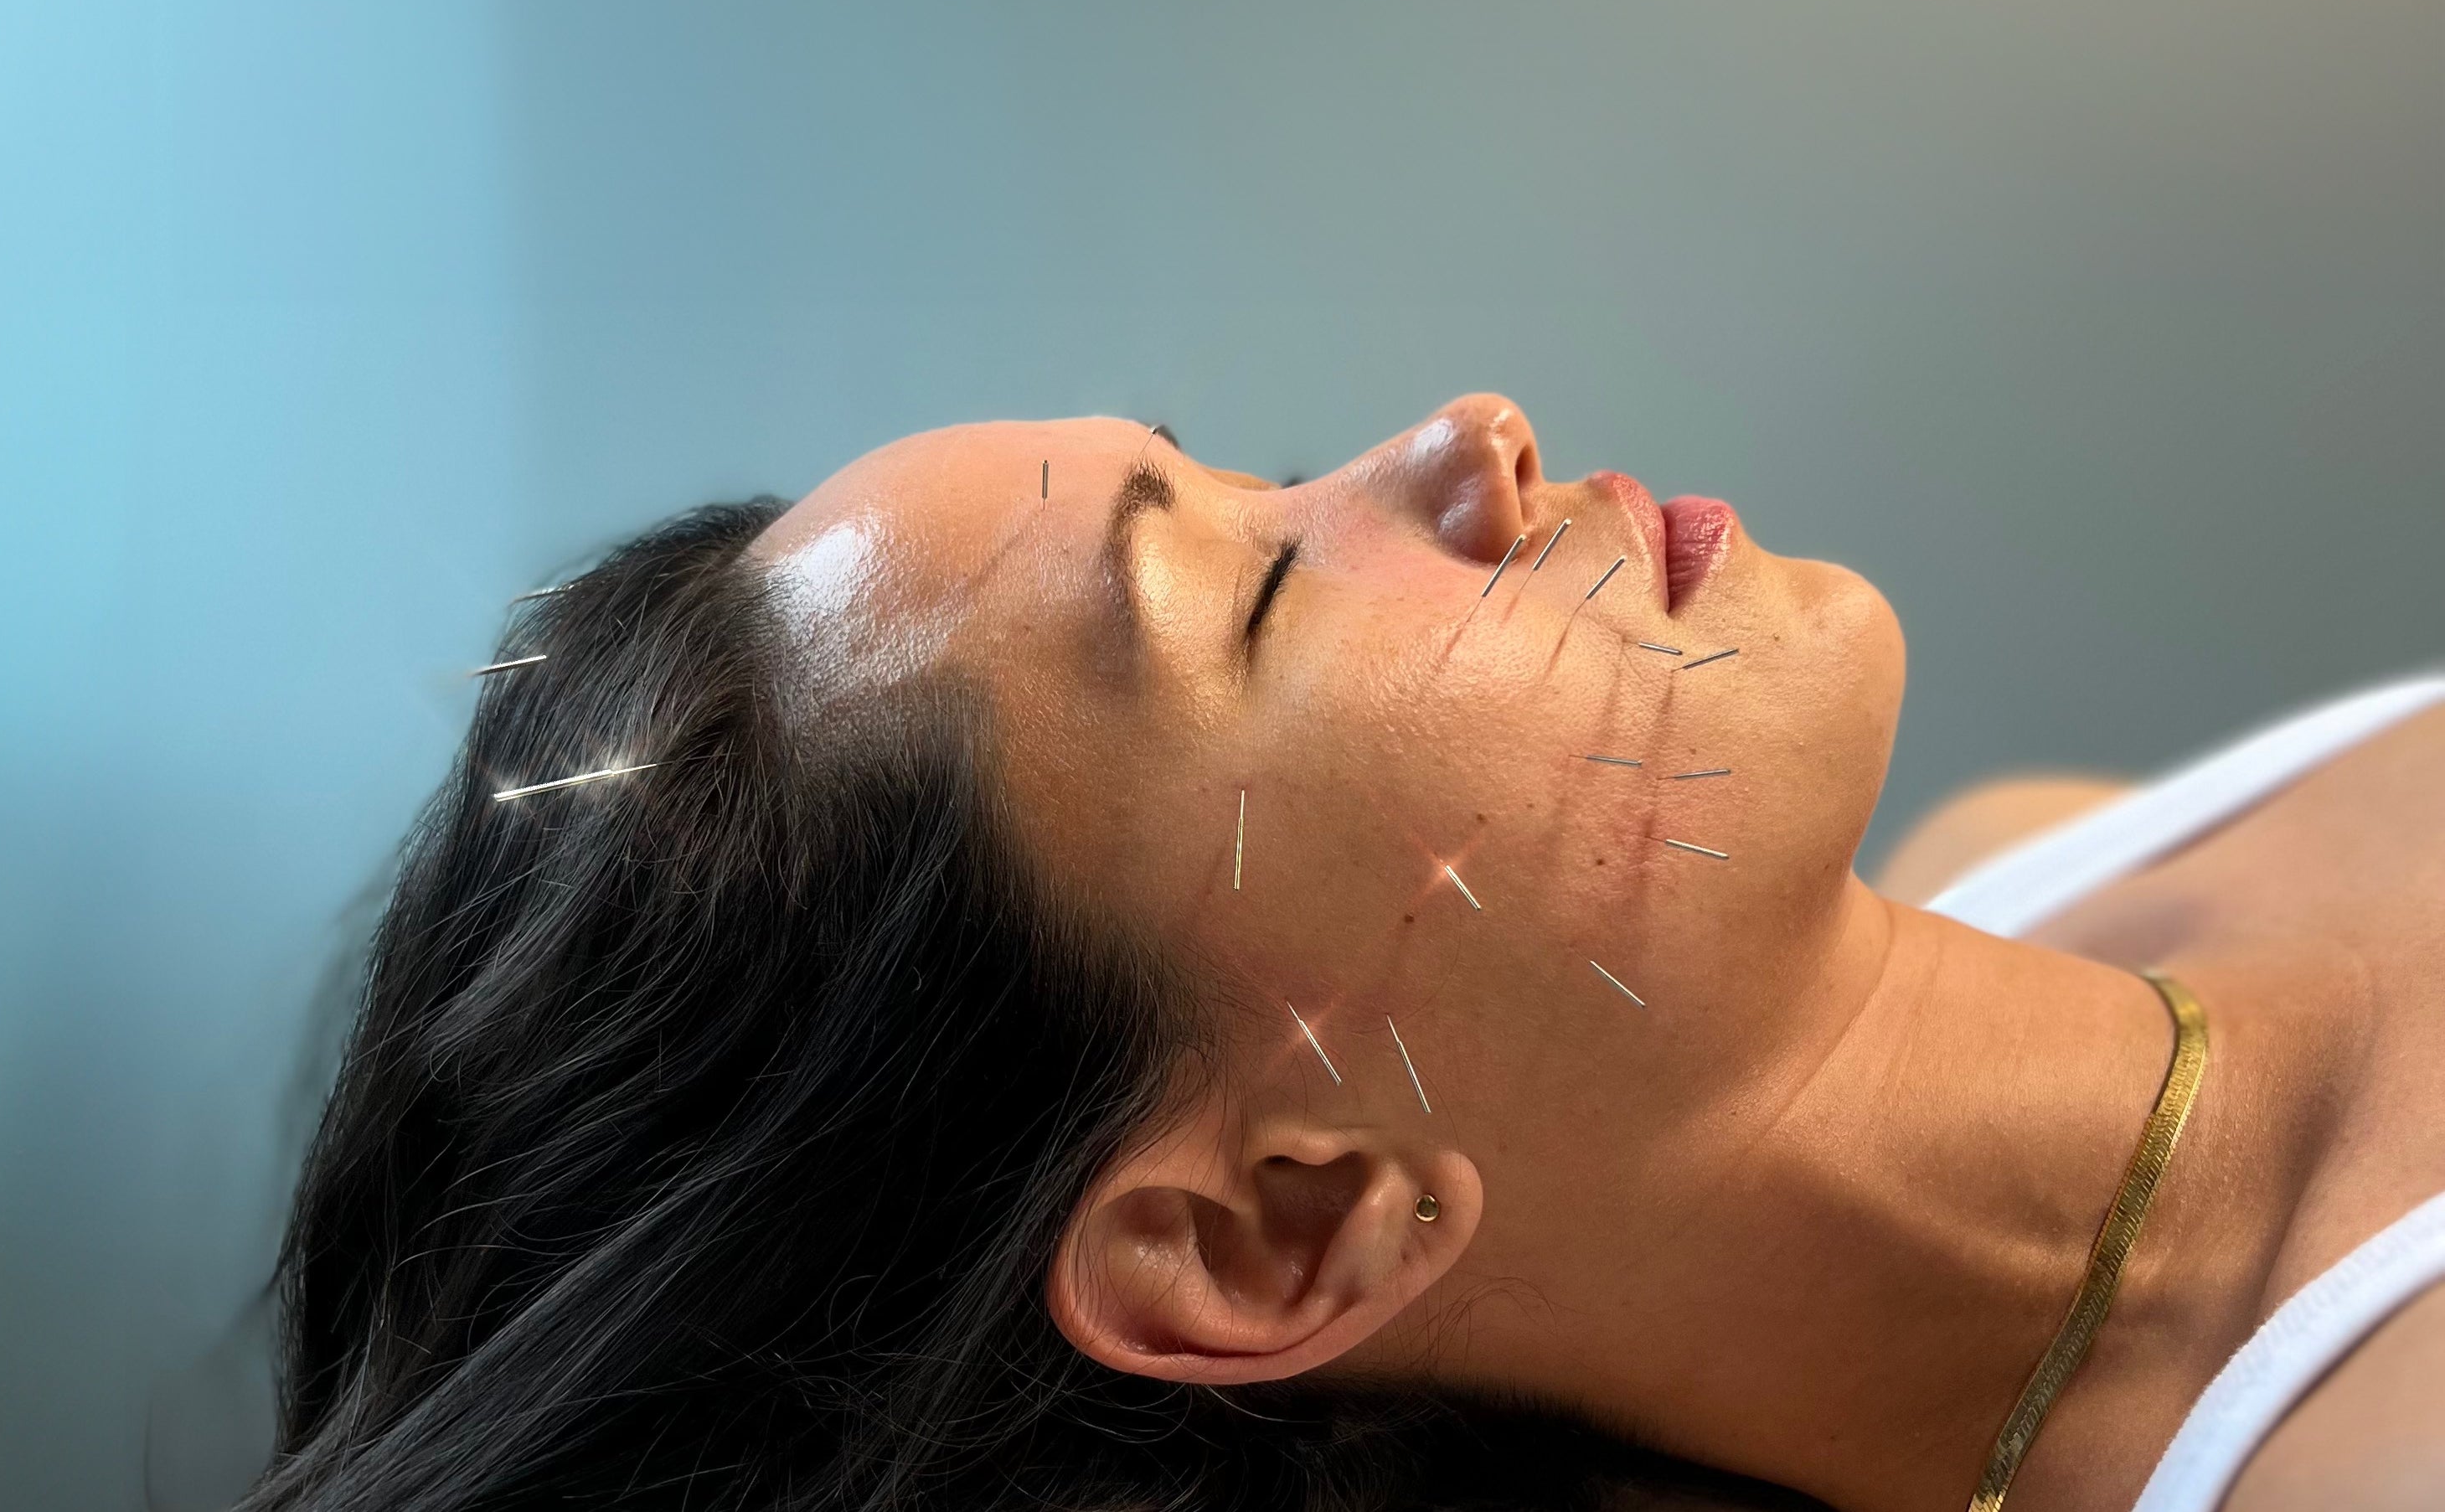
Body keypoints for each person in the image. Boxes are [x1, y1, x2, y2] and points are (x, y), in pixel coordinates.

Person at [244, 397, 2443, 1512]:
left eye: (1247, 471)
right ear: (1279, 1229)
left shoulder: (2040, 858)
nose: (1467, 442)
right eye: (1264, 602)